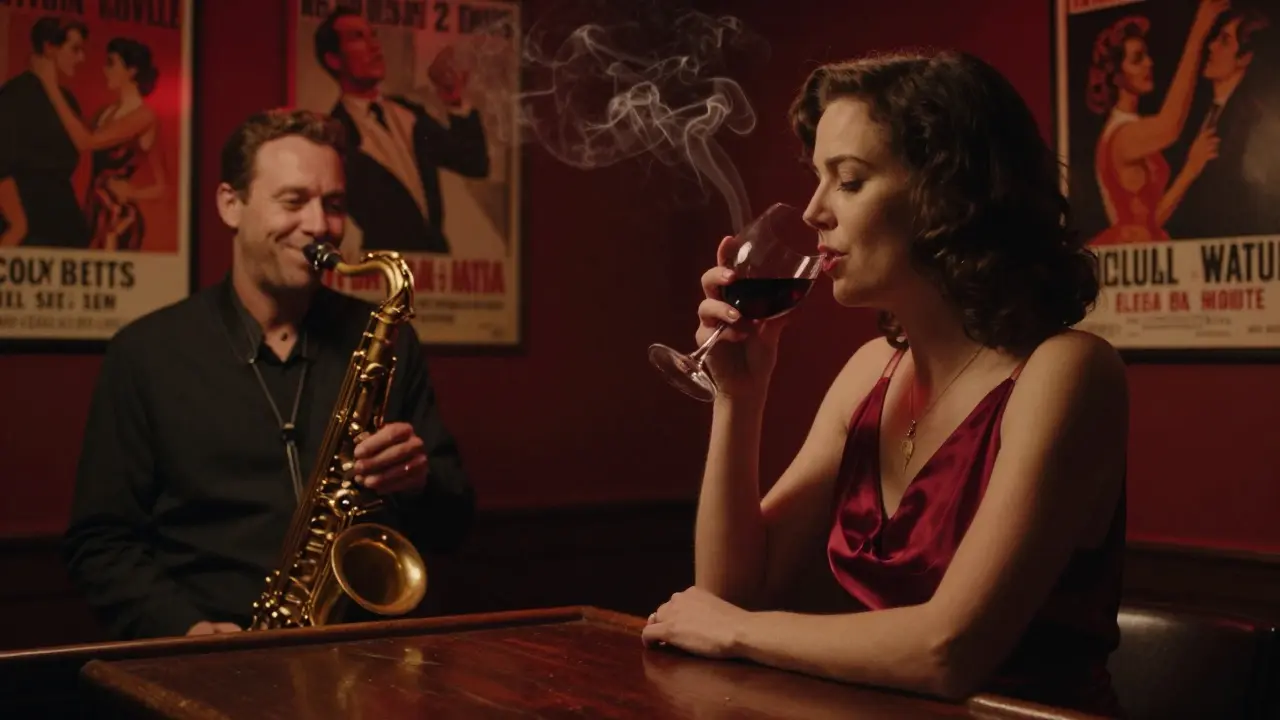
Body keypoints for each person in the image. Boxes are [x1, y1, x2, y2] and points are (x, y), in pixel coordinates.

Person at [641, 50, 1129, 717]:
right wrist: (738, 396)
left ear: (947, 195)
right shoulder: (871, 371)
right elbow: (734, 588)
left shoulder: (1066, 371)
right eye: (816, 178)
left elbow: (949, 650)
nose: (813, 212)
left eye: (848, 180)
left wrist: (736, 634)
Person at [63, 108, 475, 640]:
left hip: (364, 658)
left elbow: (456, 522)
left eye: (333, 205)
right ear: (230, 205)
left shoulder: (385, 340)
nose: (318, 225)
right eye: (293, 201)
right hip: (208, 659)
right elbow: (99, 542)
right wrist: (184, 629)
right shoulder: (145, 353)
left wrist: (420, 482)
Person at [313, 7, 490, 255]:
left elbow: (474, 163)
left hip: (439, 265)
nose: (374, 46)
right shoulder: (333, 135)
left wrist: (454, 100)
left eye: (373, 35)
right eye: (358, 38)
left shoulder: (408, 112)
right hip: (383, 267)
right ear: (334, 59)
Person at [1166, 6, 1278, 240]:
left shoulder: (1252, 120)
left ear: (1244, 58)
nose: (1212, 46)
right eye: (1216, 37)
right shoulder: (1194, 113)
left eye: (1224, 41)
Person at [0, 15, 90, 248]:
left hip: (65, 226)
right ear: (50, 48)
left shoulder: (67, 100)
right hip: (30, 228)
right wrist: (18, 226)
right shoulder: (13, 95)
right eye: (75, 49)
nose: (82, 58)